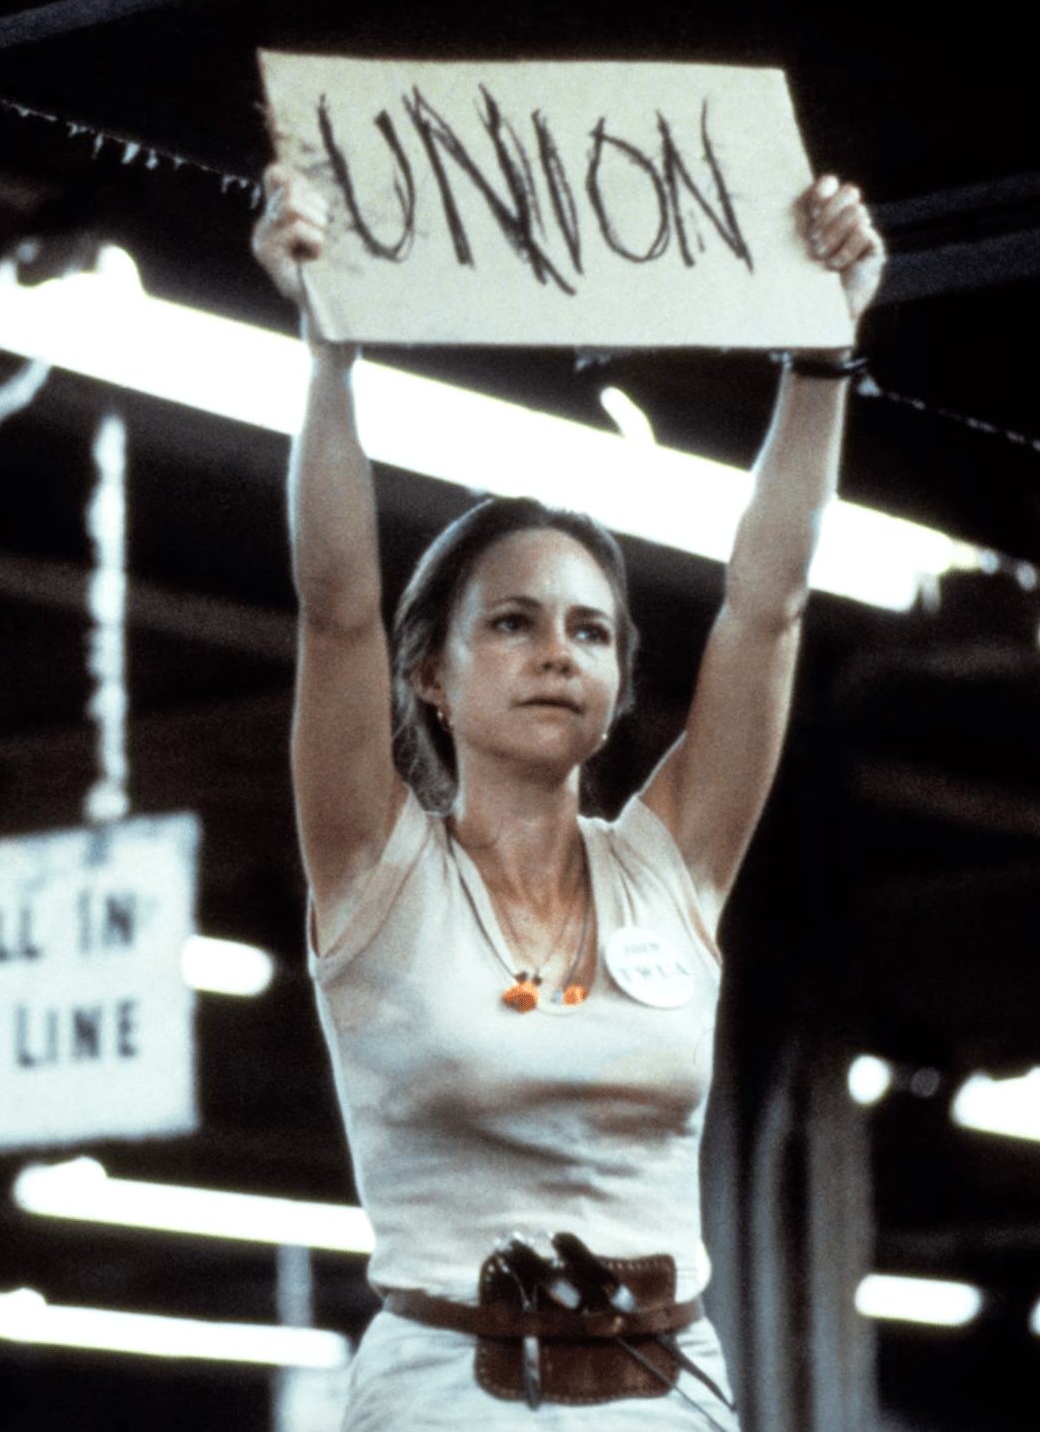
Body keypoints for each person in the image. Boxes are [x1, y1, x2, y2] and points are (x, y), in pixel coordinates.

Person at [251, 161, 884, 1432]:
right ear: (428, 673)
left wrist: (821, 355)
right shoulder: (374, 868)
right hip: (445, 1393)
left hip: (668, 1387)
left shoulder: (671, 864)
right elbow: (336, 608)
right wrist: (329, 351)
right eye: (514, 623)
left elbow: (766, 609)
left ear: (616, 680)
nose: (557, 652)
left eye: (590, 631)